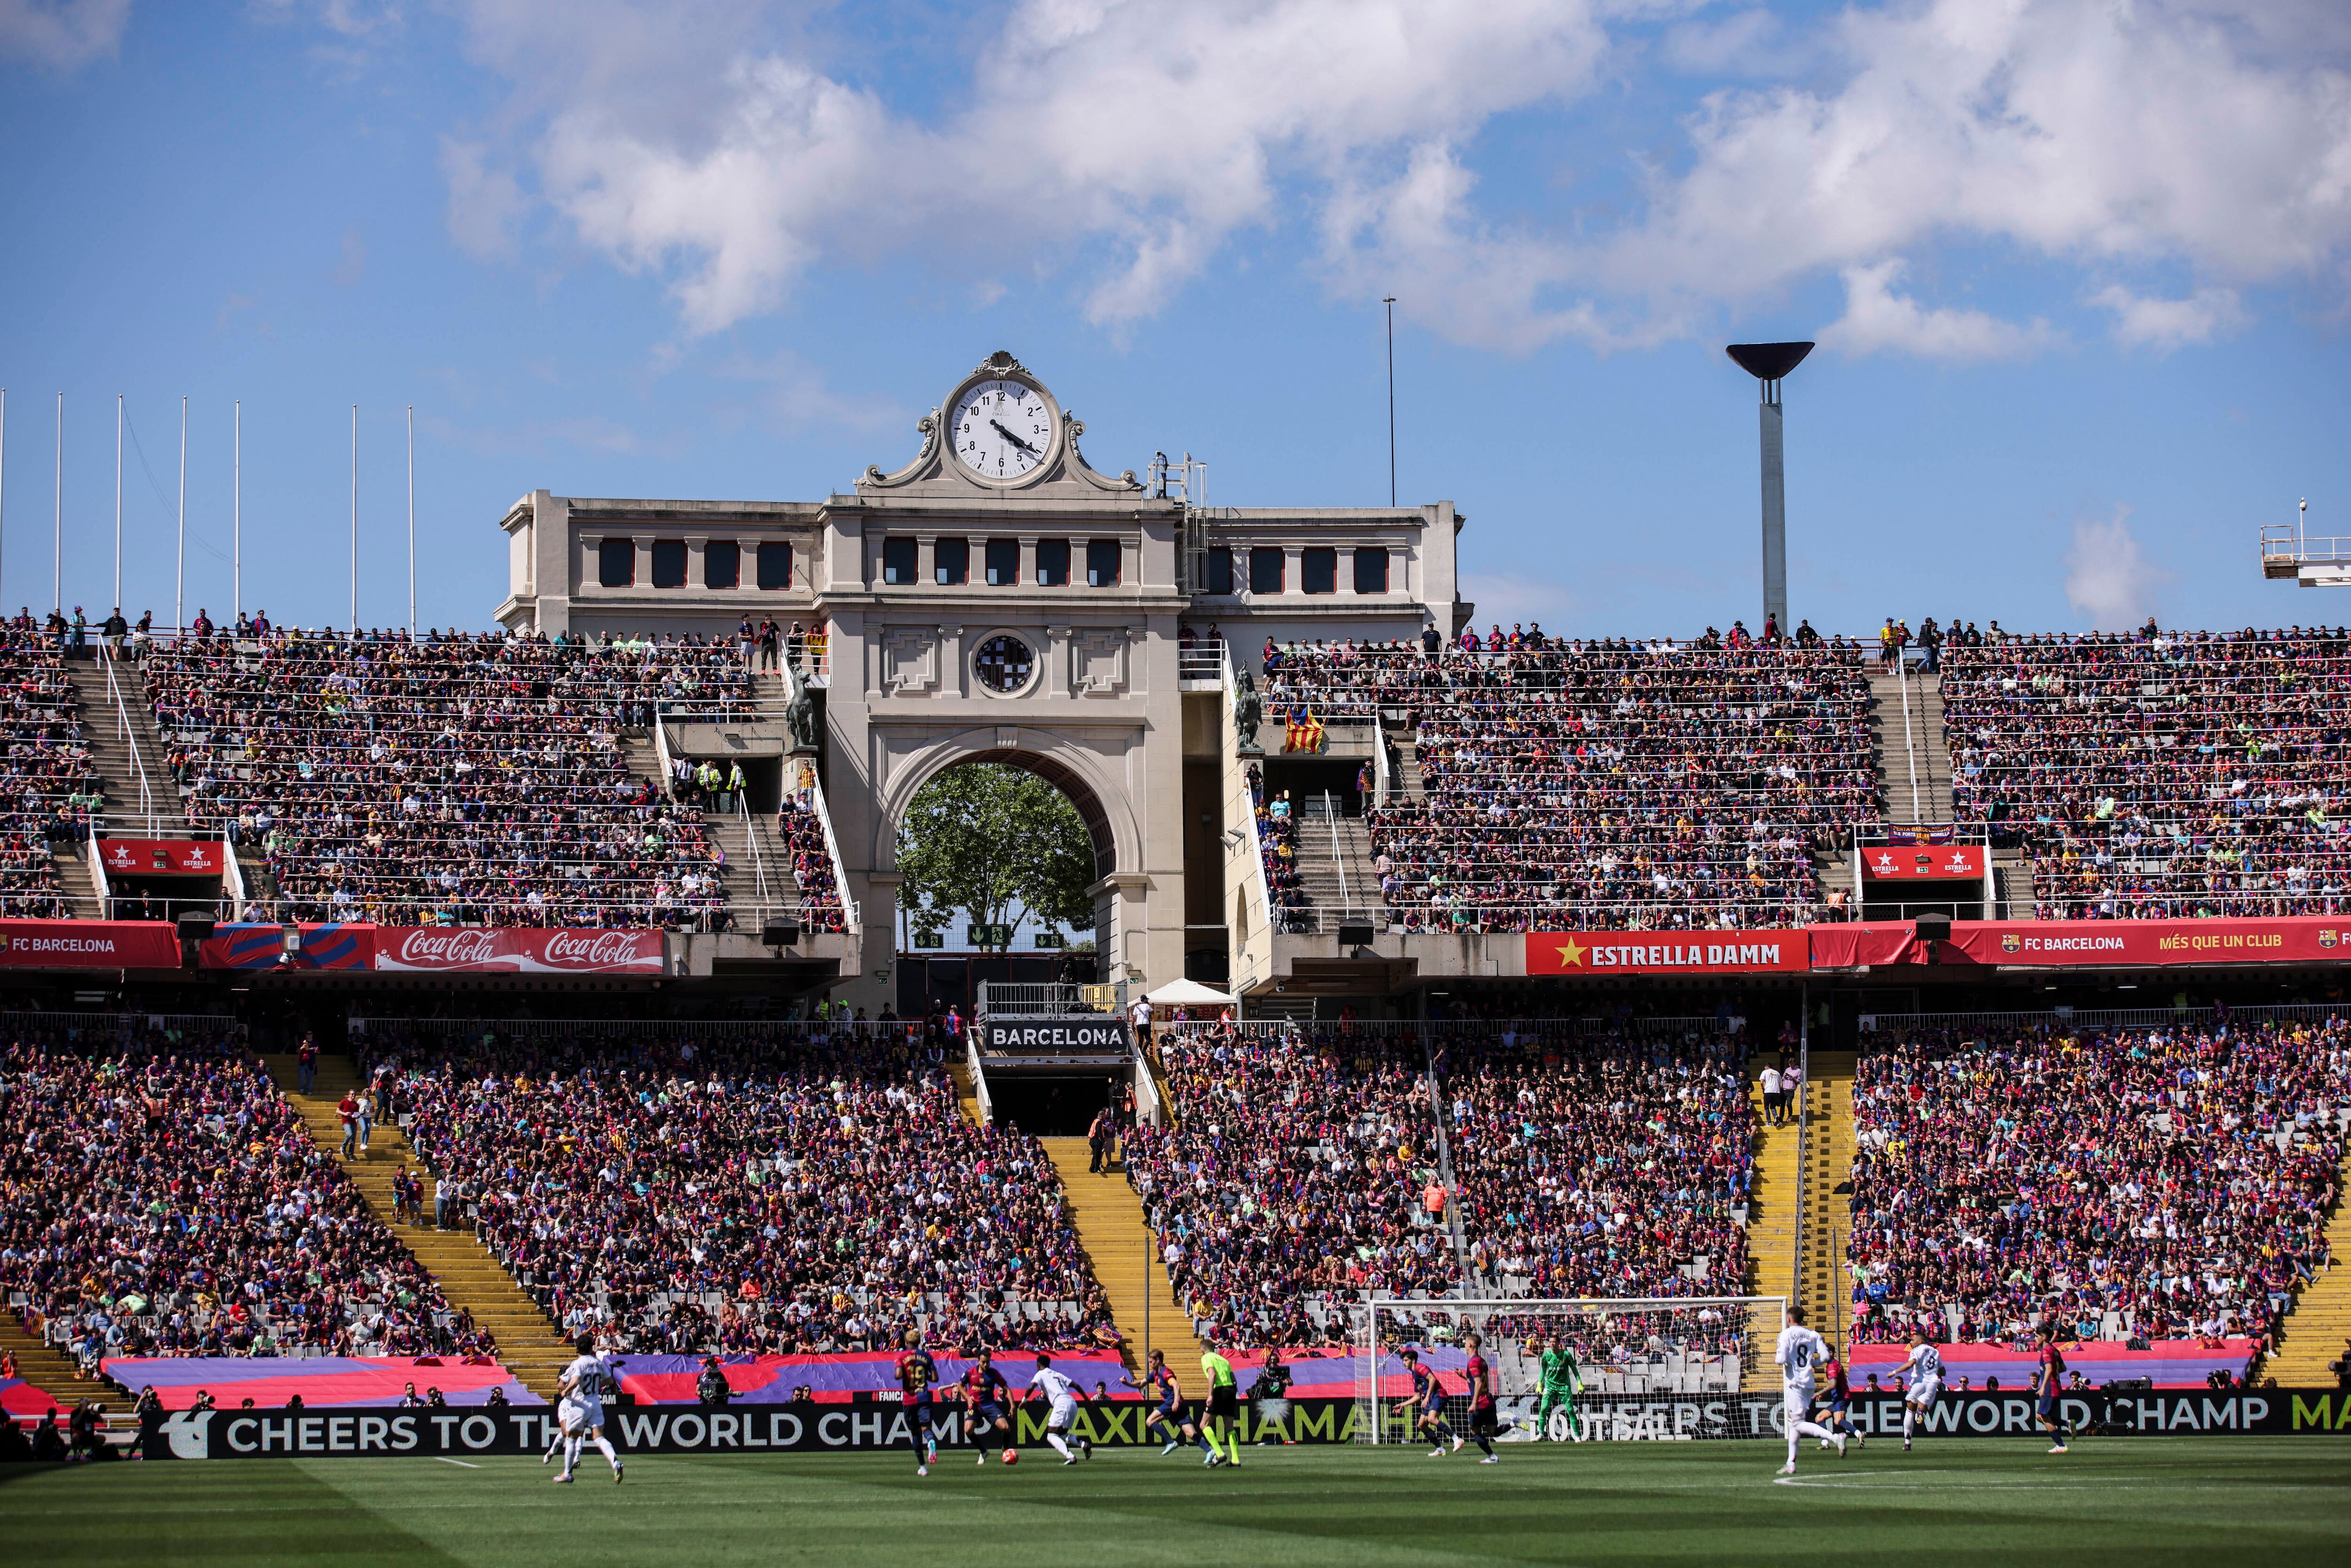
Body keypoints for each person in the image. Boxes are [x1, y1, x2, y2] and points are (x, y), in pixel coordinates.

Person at [1775, 1306, 1843, 1475]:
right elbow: (1826, 1357)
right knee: (1794, 1425)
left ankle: (1835, 1438)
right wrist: (1814, 1364)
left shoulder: (1786, 1334)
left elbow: (1781, 1359)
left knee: (1797, 1424)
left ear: (1789, 1319)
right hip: (1809, 1382)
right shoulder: (1813, 1335)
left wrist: (1785, 1361)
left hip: (1795, 1383)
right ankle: (1791, 1463)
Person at [550, 1332, 623, 1485]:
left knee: (571, 1438)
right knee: (600, 1438)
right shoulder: (598, 1363)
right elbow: (610, 1380)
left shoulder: (578, 1363)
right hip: (595, 1403)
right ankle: (615, 1462)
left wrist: (565, 1390)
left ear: (578, 1349)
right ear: (591, 1348)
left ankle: (568, 1474)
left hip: (580, 1405)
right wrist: (602, 1386)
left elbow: (575, 1381)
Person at [1128, 1349, 1213, 1459]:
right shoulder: (1155, 1374)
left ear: (1158, 1360)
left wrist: (1176, 1402)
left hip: (1172, 1402)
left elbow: (1176, 1386)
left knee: (1150, 1421)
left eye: (1151, 1362)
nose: (1150, 1364)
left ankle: (1170, 1442)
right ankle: (1209, 1451)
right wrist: (1127, 1383)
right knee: (1190, 1432)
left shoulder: (1165, 1373)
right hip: (1179, 1405)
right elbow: (1141, 1384)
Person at [1027, 1352, 1093, 1466]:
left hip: (1061, 1403)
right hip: (1072, 1403)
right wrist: (1087, 1399)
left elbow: (1032, 1387)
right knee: (1061, 1434)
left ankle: (1071, 1457)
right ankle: (1084, 1444)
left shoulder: (1040, 1374)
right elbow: (1076, 1385)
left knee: (1051, 1435)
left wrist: (1023, 1401)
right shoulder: (1058, 1374)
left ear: (1038, 1366)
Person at [1394, 1348, 1459, 1457]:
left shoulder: (1420, 1367)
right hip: (1431, 1398)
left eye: (1406, 1360)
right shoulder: (1414, 1376)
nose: (1404, 1363)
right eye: (1403, 1361)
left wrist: (1427, 1397)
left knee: (1432, 1419)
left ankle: (1456, 1439)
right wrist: (1402, 1405)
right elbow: (1417, 1396)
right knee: (1421, 1425)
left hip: (1439, 1395)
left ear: (1413, 1360)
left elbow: (1433, 1379)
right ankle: (1440, 1449)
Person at [894, 1329, 940, 1476]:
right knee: (926, 1427)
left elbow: (898, 1375)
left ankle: (923, 1467)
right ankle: (931, 1441)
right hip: (925, 1397)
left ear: (907, 1342)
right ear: (919, 1341)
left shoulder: (901, 1356)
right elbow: (935, 1378)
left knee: (915, 1433)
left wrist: (903, 1373)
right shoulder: (927, 1356)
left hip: (910, 1399)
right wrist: (923, 1375)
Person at [959, 1348, 1013, 1465]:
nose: (986, 1364)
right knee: (968, 1430)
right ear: (978, 1361)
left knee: (1006, 1428)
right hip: (975, 1406)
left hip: (989, 1405)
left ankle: (1005, 1449)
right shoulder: (970, 1372)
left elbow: (1007, 1389)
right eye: (983, 1362)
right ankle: (983, 1451)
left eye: (988, 1362)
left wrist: (1013, 1406)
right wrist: (968, 1397)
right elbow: (960, 1386)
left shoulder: (994, 1373)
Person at [1898, 1327, 1943, 1452]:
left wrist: (1894, 1372)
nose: (1911, 1343)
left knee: (1909, 1411)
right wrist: (1932, 1371)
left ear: (1921, 1341)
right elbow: (1943, 1370)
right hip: (1933, 1384)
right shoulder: (1935, 1351)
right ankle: (1921, 1412)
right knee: (1922, 1406)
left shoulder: (1917, 1350)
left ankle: (1907, 1443)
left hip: (1919, 1382)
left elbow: (1910, 1364)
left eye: (1913, 1340)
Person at [1533, 1331, 1579, 1442]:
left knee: (1570, 1410)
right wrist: (1539, 1385)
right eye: (1550, 1342)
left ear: (1559, 1343)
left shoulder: (1566, 1355)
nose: (1552, 1344)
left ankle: (1577, 1436)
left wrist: (1580, 1384)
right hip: (1550, 1385)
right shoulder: (1546, 1356)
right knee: (1543, 1408)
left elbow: (1575, 1370)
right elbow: (1543, 1372)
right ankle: (1540, 1434)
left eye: (1554, 1342)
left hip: (1564, 1386)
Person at [1460, 1333, 1499, 1463]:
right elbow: (1477, 1381)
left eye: (1466, 1343)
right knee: (1493, 1432)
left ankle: (1492, 1456)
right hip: (1489, 1400)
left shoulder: (1473, 1362)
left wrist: (1474, 1403)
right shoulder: (1482, 1361)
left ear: (1471, 1345)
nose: (1465, 1345)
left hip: (1480, 1403)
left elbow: (1478, 1383)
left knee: (1475, 1431)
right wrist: (1463, 1376)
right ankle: (1512, 1423)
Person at [1199, 1347, 1241, 1468]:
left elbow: (1212, 1374)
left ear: (1203, 1350)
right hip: (1231, 1390)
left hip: (1220, 1390)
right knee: (1230, 1427)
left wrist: (1210, 1395)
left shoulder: (1206, 1358)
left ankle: (1219, 1453)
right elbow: (1233, 1378)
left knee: (1204, 1425)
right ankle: (1236, 1460)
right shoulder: (1224, 1360)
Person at [1815, 1349, 1862, 1451]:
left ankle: (1858, 1433)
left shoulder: (1832, 1366)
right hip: (1838, 1399)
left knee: (1838, 1420)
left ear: (1831, 1353)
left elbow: (1833, 1385)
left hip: (1842, 1397)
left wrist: (1819, 1393)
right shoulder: (1835, 1365)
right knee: (1819, 1418)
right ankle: (1825, 1442)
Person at [2033, 1327, 2070, 1455]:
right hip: (2055, 1386)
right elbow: (2063, 1368)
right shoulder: (2054, 1350)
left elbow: (2049, 1369)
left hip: (2050, 1388)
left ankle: (2061, 1445)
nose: (2035, 1339)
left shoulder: (2046, 1351)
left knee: (2044, 1416)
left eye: (2037, 1336)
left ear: (2044, 1337)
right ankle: (2066, 1423)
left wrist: (2043, 1386)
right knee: (2039, 1416)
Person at [1252, 1349, 1293, 1445]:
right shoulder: (1265, 1371)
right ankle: (1267, 1439)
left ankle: (1279, 1439)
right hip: (1268, 1396)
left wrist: (1287, 1382)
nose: (1273, 1361)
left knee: (1279, 1419)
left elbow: (1291, 1382)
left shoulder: (1282, 1371)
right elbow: (1259, 1382)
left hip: (1279, 1396)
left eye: (1275, 1360)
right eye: (1272, 1360)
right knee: (1268, 1419)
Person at [336, 1089, 359, 1159]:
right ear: (349, 1094)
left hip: (353, 1122)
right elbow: (338, 1111)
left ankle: (351, 1156)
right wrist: (345, 1114)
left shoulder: (356, 1105)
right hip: (346, 1122)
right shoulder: (344, 1101)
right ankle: (343, 1146)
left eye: (355, 1094)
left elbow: (356, 1114)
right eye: (352, 1094)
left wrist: (357, 1118)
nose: (353, 1096)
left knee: (353, 1141)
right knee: (350, 1134)